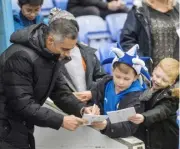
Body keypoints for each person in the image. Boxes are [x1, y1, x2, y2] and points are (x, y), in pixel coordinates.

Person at [0, 10, 99, 149]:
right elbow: (22, 104)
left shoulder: (53, 55)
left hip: (18, 125)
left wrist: (82, 109)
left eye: (70, 49)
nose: (67, 55)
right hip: (5, 125)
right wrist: (61, 120)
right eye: (65, 49)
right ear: (50, 40)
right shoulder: (21, 57)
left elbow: (60, 92)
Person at [90, 44, 151, 138]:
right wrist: (92, 108)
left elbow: (129, 127)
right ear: (112, 70)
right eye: (117, 76)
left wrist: (106, 125)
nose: (120, 82)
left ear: (136, 77)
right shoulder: (105, 83)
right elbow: (95, 100)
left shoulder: (138, 97)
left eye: (126, 79)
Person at [48, 8, 107, 103]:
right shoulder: (48, 59)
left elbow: (102, 78)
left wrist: (92, 93)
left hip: (89, 106)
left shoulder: (88, 53)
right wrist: (69, 98)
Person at [129, 58, 179, 149]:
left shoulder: (172, 97)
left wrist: (144, 117)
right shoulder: (147, 86)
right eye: (157, 76)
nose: (158, 81)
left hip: (164, 141)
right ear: (154, 70)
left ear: (172, 82)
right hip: (148, 137)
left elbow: (160, 111)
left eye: (164, 80)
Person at [120, 0, 179, 72]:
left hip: (174, 73)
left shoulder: (177, 8)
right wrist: (141, 63)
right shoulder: (139, 10)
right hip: (149, 73)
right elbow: (127, 40)